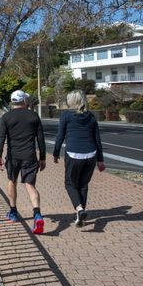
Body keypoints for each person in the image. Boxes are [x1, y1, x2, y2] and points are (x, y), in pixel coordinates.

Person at [0, 89, 47, 234]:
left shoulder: (6, 117)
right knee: (30, 185)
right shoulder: (34, 116)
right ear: (24, 101)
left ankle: (13, 212)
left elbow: (1, 137)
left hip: (13, 157)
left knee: (12, 181)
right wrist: (42, 157)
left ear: (13, 102)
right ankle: (37, 214)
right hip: (30, 156)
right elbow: (41, 139)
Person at [52, 89, 105, 227]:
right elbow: (97, 140)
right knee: (83, 185)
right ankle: (80, 215)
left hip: (74, 154)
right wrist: (100, 160)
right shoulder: (91, 116)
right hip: (91, 155)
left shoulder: (66, 116)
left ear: (71, 101)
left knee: (70, 183)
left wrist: (56, 153)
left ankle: (79, 209)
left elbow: (60, 136)